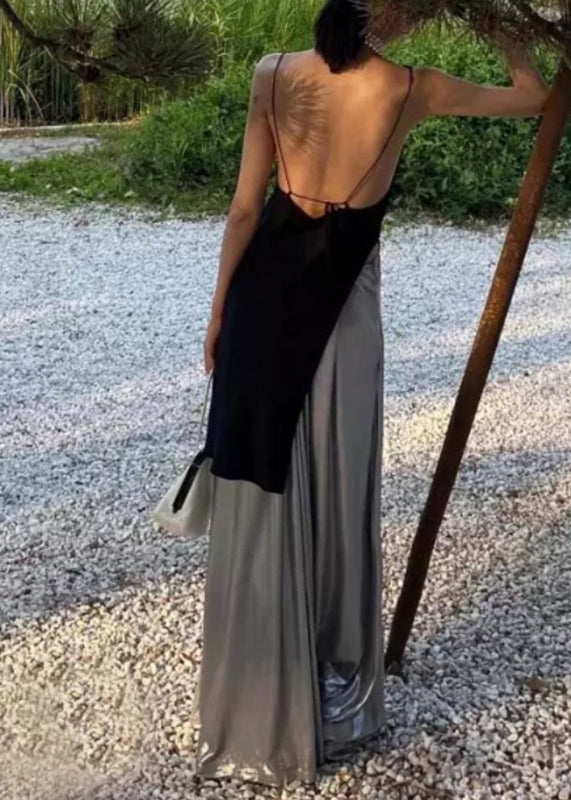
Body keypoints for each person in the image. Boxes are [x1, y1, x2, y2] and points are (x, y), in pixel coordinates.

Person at [189, 0, 549, 788]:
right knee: (336, 481)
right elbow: (533, 96)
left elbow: (245, 210)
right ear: (391, 15)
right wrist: (500, 26)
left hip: (260, 309)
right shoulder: (412, 87)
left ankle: (256, 703)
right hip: (342, 315)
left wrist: (217, 316)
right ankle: (332, 685)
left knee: (261, 482)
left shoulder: (271, 74)